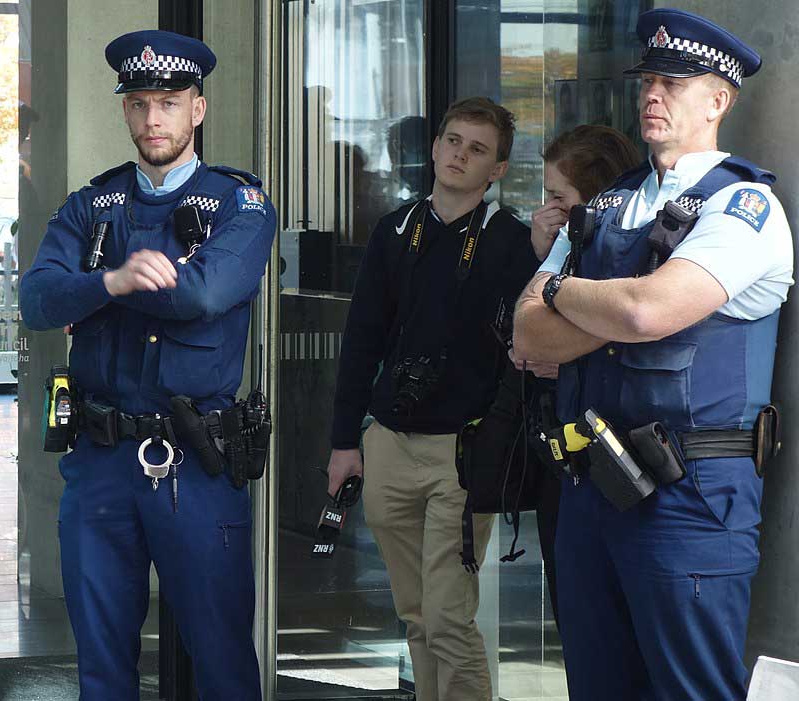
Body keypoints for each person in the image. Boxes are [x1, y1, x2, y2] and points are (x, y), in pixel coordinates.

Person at [513, 8, 793, 700]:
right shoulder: (606, 205)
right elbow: (527, 332)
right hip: (591, 486)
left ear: (718, 101)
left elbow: (648, 311)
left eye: (674, 82)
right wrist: (622, 310)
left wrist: (566, 293)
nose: (653, 95)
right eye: (648, 81)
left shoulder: (744, 207)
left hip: (690, 497)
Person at [19, 30, 275, 700]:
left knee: (222, 662)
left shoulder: (239, 204)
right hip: (100, 461)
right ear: (126, 110)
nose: (152, 118)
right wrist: (112, 280)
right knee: (102, 669)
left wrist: (97, 290)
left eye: (169, 101)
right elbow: (37, 299)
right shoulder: (93, 203)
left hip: (195, 461)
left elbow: (204, 295)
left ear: (198, 108)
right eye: (138, 103)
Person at [326, 97, 536, 701]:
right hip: (389, 442)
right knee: (416, 614)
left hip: (462, 452)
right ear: (437, 146)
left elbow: (523, 352)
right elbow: (361, 341)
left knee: (448, 616)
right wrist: (344, 442)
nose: (459, 155)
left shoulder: (512, 241)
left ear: (497, 169)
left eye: (477, 149)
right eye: (452, 141)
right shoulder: (395, 230)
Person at [527, 125, 640, 628]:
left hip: (622, 451)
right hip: (567, 448)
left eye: (559, 197)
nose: (548, 208)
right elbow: (525, 336)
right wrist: (543, 254)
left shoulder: (626, 248)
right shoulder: (562, 245)